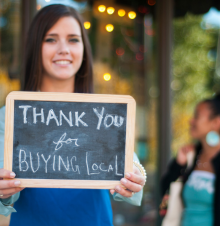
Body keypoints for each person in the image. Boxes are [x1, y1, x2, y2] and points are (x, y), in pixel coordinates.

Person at [0, 4, 146, 226]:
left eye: (73, 39)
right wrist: (3, 192)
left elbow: (127, 170)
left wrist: (135, 177)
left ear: (84, 50)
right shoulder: (11, 115)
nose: (63, 49)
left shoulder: (103, 113)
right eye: (51, 39)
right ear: (35, 48)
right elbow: (5, 195)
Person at [161, 94, 220, 226]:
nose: (190, 121)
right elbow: (164, 192)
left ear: (216, 122)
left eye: (197, 116)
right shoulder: (191, 157)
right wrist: (178, 164)